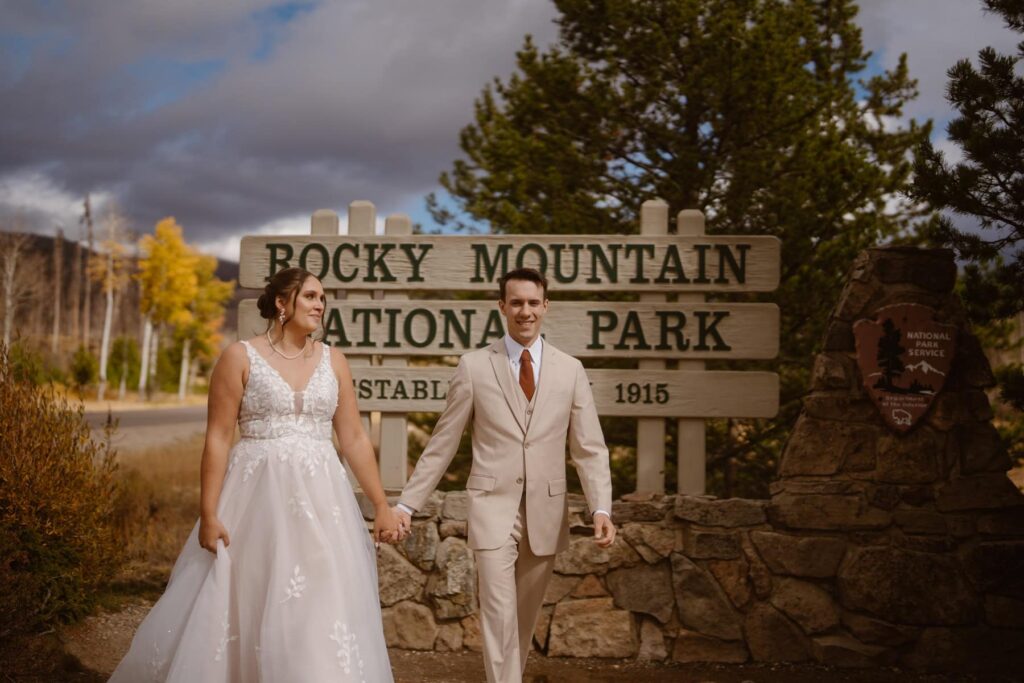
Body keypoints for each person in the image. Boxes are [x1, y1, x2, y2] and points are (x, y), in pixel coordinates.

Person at [110, 267, 399, 682]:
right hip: (256, 503)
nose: (320, 305)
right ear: (282, 304)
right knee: (247, 600)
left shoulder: (334, 360)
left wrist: (381, 504)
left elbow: (352, 437)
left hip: (323, 504)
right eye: (311, 297)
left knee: (320, 604)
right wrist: (208, 513)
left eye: (323, 298)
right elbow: (217, 438)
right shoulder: (239, 357)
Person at [393, 267, 615, 683]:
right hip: (493, 508)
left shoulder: (571, 370)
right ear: (502, 306)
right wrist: (407, 503)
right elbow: (443, 442)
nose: (525, 311)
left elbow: (589, 447)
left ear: (545, 306)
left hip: (546, 512)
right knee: (498, 613)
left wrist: (600, 506)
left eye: (533, 302)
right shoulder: (475, 366)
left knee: (522, 621)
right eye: (516, 302)